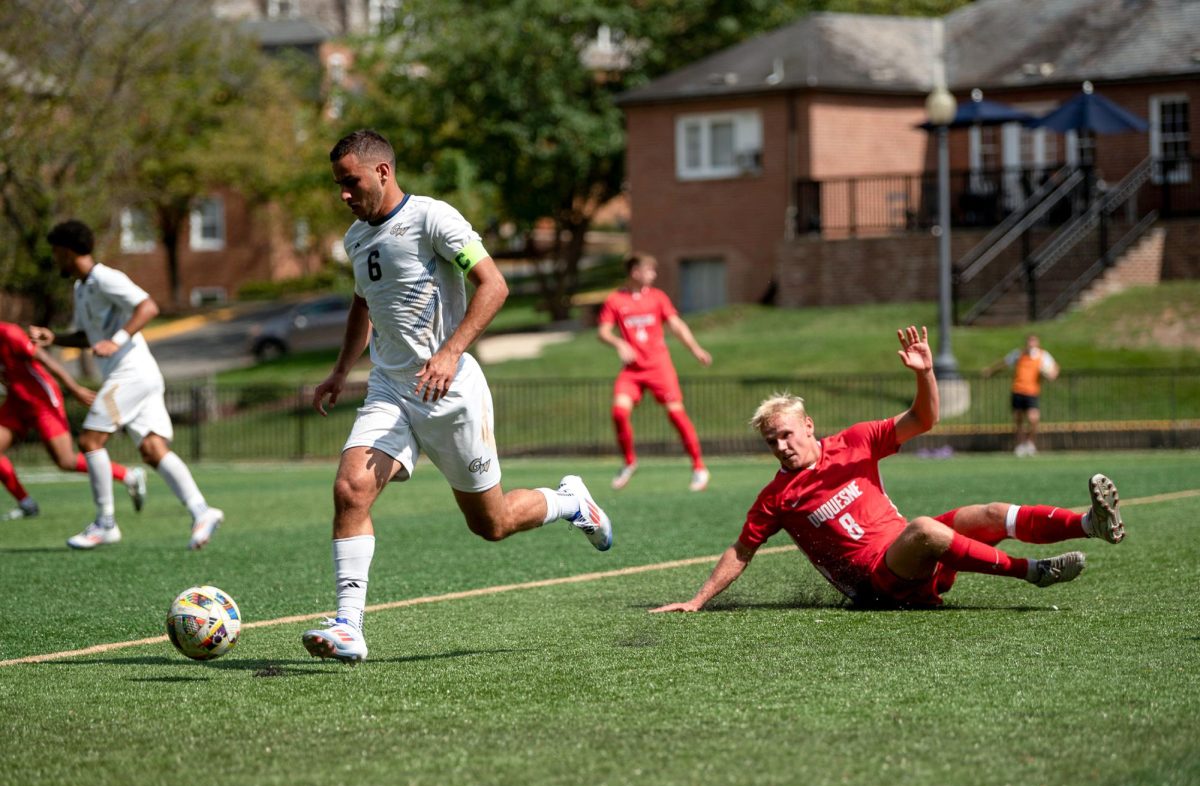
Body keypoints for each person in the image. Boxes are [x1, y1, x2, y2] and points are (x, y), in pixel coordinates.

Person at [301, 129, 613, 664]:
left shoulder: (432, 218)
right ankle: (349, 626)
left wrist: (449, 353)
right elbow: (362, 307)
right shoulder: (356, 238)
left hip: (451, 394)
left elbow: (495, 286)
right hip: (390, 389)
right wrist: (339, 371)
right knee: (351, 488)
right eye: (338, 186)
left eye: (350, 182)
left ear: (382, 171)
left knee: (490, 525)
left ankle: (568, 502)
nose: (344, 195)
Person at [650, 326, 1125, 613]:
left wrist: (924, 373)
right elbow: (741, 550)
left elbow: (924, 420)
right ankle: (1033, 572)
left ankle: (1089, 523)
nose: (781, 446)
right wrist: (698, 600)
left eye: (787, 434)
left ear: (809, 426)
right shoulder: (777, 498)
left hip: (910, 557)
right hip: (879, 586)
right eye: (772, 440)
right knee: (923, 529)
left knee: (989, 512)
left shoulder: (855, 441)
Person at [30, 220, 224, 550]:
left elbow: (148, 306)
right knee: (152, 450)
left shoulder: (106, 277)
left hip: (130, 374)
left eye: (56, 253)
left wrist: (118, 340)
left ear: (66, 251)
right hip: (137, 375)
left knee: (91, 440)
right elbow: (88, 338)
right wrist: (55, 338)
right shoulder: (82, 288)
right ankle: (202, 511)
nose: (55, 259)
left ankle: (106, 523)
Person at [0, 322, 146, 520]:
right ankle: (26, 504)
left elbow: (44, 358)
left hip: (42, 401)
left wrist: (75, 389)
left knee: (66, 460)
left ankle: (129, 476)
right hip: (16, 402)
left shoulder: (9, 333)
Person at [597, 252, 712, 492]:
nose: (654, 274)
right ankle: (629, 462)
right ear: (635, 272)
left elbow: (677, 325)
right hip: (632, 371)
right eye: (649, 270)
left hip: (659, 367)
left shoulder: (658, 297)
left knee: (676, 415)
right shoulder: (615, 300)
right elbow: (603, 332)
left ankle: (699, 468)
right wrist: (620, 343)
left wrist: (696, 349)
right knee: (619, 412)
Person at [983, 334, 1059, 456]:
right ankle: (1020, 445)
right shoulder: (1018, 354)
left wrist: (1052, 374)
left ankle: (1030, 443)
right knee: (1018, 420)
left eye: (1033, 342)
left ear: (1037, 343)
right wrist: (991, 371)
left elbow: (1055, 368)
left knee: (1033, 419)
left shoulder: (1043, 355)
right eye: (1029, 342)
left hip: (1032, 392)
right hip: (1018, 390)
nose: (1031, 344)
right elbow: (1004, 363)